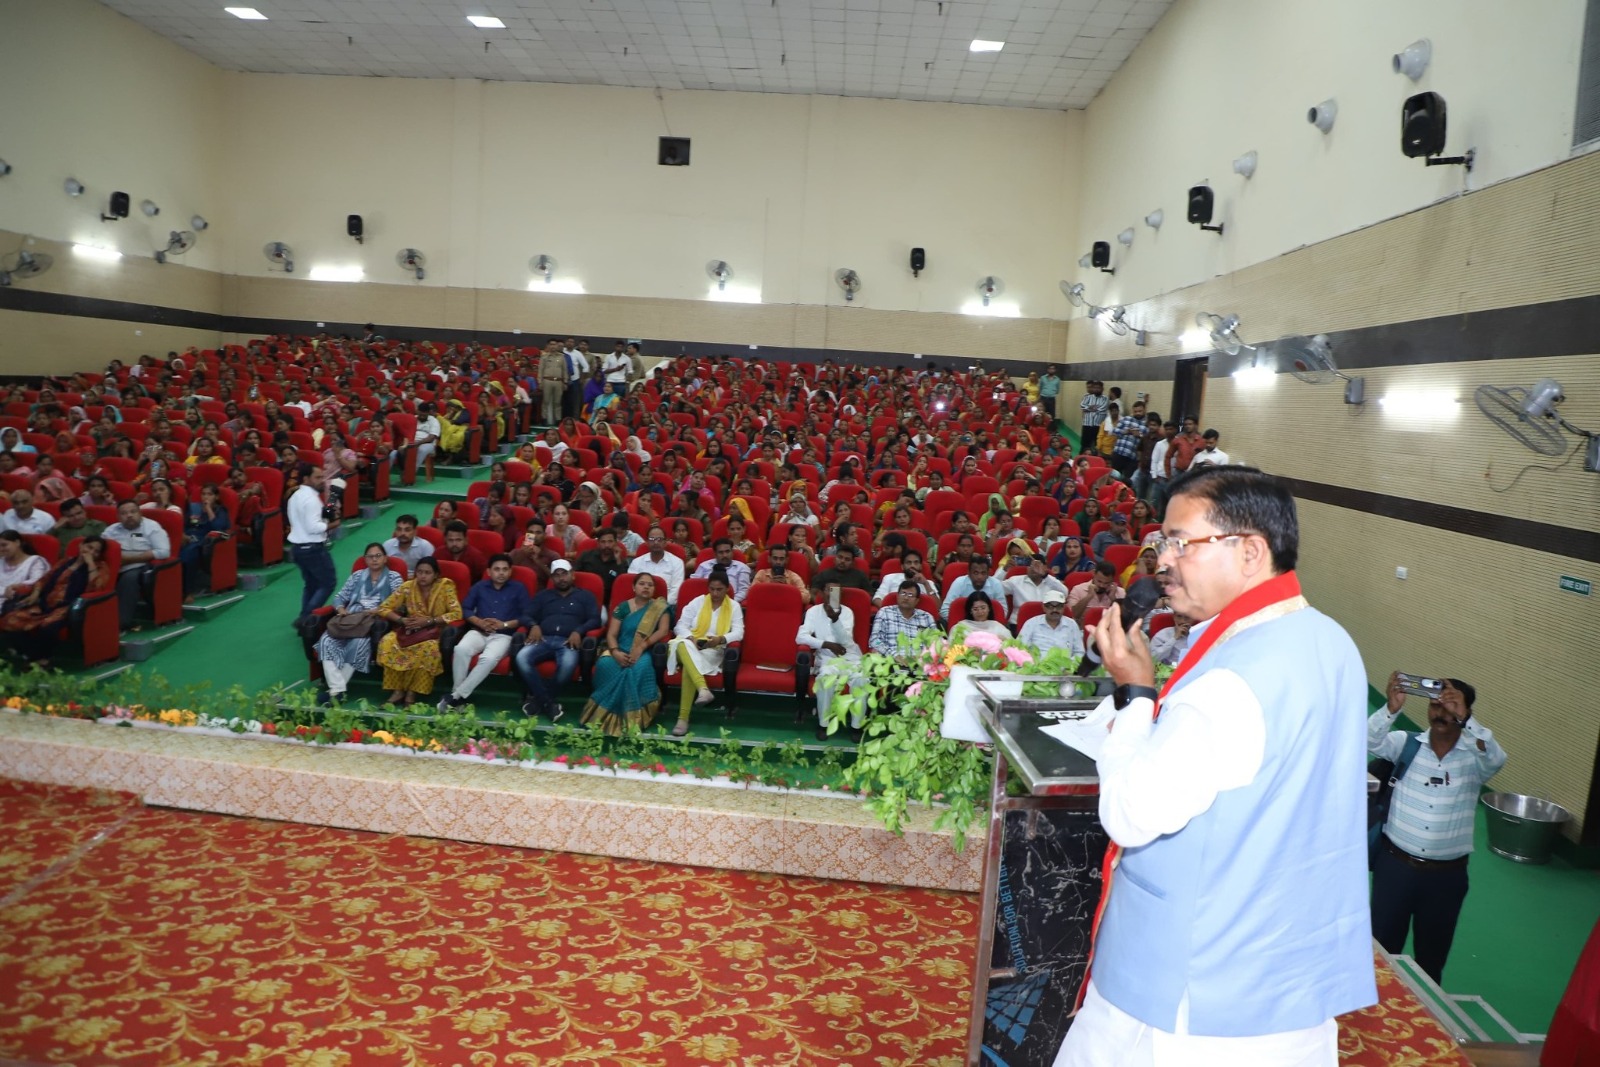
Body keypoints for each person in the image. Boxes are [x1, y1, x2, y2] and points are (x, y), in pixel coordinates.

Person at [1058, 465, 1375, 1067]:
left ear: (1250, 551)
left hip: (1191, 988)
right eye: (1163, 541)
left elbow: (1130, 814)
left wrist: (1136, 697)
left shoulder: (1232, 678)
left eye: (1182, 542)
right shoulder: (1328, 638)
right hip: (1286, 964)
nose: (1162, 560)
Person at [1368, 672, 1506, 985]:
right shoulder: (1406, 745)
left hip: (1445, 879)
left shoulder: (1475, 760)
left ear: (1465, 712)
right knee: (1380, 953)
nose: (1441, 713)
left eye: (1450, 707)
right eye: (1435, 705)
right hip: (1395, 868)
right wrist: (1390, 709)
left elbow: (1497, 759)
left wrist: (1467, 720)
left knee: (1431, 959)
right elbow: (1368, 740)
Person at [580, 571, 672, 736]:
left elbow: (663, 631)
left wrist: (641, 646)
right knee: (605, 664)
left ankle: (631, 720)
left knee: (637, 669)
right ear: (634, 587)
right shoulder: (623, 607)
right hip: (620, 648)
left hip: (644, 651)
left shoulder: (660, 608)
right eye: (642, 584)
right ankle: (603, 714)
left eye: (650, 585)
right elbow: (611, 634)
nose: (646, 587)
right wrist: (615, 652)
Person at [440, 554, 535, 710]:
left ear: (510, 571)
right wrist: (479, 622)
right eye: (497, 569)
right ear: (489, 572)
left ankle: (455, 697)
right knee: (460, 649)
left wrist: (504, 624)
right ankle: (458, 697)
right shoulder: (480, 587)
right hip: (479, 631)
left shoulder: (519, 588)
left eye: (505, 569)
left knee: (488, 658)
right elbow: (466, 609)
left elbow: (526, 616)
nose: (501, 573)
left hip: (504, 635)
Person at [0, 536, 111, 667]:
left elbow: (96, 587)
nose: (91, 552)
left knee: (47, 627)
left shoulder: (100, 567)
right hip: (44, 604)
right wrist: (35, 593)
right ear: (81, 546)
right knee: (10, 620)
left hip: (68, 607)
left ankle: (39, 660)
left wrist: (90, 564)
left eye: (96, 551)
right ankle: (33, 656)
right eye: (89, 547)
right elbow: (44, 579)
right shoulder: (65, 562)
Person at [314, 542, 403, 704]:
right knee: (326, 640)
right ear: (365, 559)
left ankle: (335, 691)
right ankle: (338, 690)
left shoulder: (394, 577)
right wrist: (341, 609)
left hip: (372, 622)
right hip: (350, 619)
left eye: (378, 556)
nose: (374, 559)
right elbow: (339, 597)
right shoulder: (357, 576)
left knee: (359, 644)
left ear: (385, 559)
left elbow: (398, 602)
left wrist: (378, 610)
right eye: (370, 556)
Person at [514, 559, 601, 720]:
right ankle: (548, 703)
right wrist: (533, 625)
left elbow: (595, 620)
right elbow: (525, 616)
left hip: (568, 641)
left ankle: (538, 701)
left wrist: (579, 631)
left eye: (564, 574)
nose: (561, 578)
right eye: (557, 575)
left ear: (572, 575)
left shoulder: (585, 596)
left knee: (568, 664)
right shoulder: (543, 596)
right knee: (521, 657)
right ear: (552, 578)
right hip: (543, 638)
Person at [374, 557, 462, 706]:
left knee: (428, 649)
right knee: (388, 642)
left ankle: (411, 693)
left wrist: (429, 621)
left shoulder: (445, 586)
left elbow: (456, 613)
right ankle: (397, 691)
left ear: (436, 574)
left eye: (427, 573)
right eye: (419, 572)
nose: (422, 576)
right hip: (409, 630)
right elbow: (383, 608)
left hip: (434, 631)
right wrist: (401, 620)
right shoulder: (408, 586)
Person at [665, 568, 744, 736]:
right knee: (682, 644)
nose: (715, 593)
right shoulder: (698, 602)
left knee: (689, 667)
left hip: (712, 651)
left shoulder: (734, 606)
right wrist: (692, 639)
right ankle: (702, 689)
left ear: (727, 588)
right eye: (712, 589)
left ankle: (683, 718)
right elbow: (680, 626)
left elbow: (739, 632)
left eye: (719, 589)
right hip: (689, 646)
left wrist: (720, 639)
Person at [798, 580, 866, 739]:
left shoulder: (847, 612)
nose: (832, 594)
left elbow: (845, 641)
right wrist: (826, 644)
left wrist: (835, 620)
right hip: (827, 658)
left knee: (862, 680)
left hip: (850, 657)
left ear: (841, 594)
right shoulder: (813, 611)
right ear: (822, 593)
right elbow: (800, 637)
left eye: (836, 591)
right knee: (825, 680)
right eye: (829, 590)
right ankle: (823, 724)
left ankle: (856, 726)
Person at [104, 499, 173, 629]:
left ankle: (120, 623)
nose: (129, 515)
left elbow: (164, 552)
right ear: (118, 517)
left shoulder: (151, 527)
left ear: (140, 513)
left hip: (140, 565)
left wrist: (130, 559)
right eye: (124, 513)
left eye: (133, 511)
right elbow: (102, 549)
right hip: (114, 566)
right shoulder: (111, 531)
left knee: (130, 578)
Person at [286, 462, 338, 624]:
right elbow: (313, 527)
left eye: (322, 477)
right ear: (306, 479)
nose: (322, 480)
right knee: (328, 583)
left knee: (312, 584)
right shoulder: (312, 500)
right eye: (317, 477)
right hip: (313, 549)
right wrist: (333, 524)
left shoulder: (295, 496)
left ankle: (305, 616)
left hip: (298, 549)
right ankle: (306, 619)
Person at [180, 481, 231, 600]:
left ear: (216, 497)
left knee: (189, 555)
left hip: (204, 540)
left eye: (209, 494)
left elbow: (218, 527)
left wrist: (208, 509)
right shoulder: (194, 508)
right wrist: (183, 535)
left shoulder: (220, 510)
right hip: (187, 537)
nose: (206, 497)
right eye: (203, 494)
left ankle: (188, 591)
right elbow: (184, 524)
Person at [868, 580, 940, 656]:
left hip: (919, 661)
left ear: (917, 600)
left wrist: (922, 658)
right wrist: (894, 655)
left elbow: (936, 643)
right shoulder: (885, 612)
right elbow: (875, 640)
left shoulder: (927, 617)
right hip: (890, 659)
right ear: (897, 596)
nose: (906, 598)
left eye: (910, 595)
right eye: (903, 593)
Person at [939, 555, 1008, 622]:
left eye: (983, 573)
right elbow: (945, 610)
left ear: (988, 574)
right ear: (969, 573)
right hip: (963, 625)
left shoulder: (996, 584)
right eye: (975, 573)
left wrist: (987, 624)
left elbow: (1003, 611)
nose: (979, 577)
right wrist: (961, 625)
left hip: (989, 625)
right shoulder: (959, 583)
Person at [628, 526, 686, 606]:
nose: (656, 542)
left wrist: (658, 607)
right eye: (652, 539)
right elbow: (632, 587)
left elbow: (675, 591)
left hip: (666, 606)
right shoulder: (637, 562)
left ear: (665, 542)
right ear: (647, 542)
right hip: (640, 604)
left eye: (659, 539)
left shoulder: (677, 563)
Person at [1016, 591, 1084, 657]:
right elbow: (1020, 648)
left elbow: (1080, 652)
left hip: (1066, 663)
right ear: (1044, 607)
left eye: (1059, 606)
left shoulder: (1072, 624)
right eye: (1050, 606)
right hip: (1036, 663)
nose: (1055, 610)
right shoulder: (1032, 623)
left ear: (1063, 608)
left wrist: (1071, 663)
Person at [691, 538, 753, 602]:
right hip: (705, 602)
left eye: (727, 551)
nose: (725, 555)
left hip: (731, 603)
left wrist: (730, 602)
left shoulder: (742, 568)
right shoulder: (704, 566)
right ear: (715, 554)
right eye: (721, 552)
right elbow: (692, 585)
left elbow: (744, 590)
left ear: (732, 552)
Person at [575, 527, 628, 602]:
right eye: (603, 542)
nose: (607, 545)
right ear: (598, 543)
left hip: (608, 601)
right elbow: (574, 576)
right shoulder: (586, 556)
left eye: (610, 541)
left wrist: (618, 560)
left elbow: (622, 584)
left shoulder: (621, 562)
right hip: (584, 597)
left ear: (616, 543)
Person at [871, 549, 937, 607]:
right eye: (909, 563)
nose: (912, 565)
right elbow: (877, 599)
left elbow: (937, 607)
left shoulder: (928, 583)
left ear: (920, 566)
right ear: (902, 567)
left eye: (916, 563)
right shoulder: (890, 578)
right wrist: (889, 612)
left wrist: (926, 584)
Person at [1066, 560, 1124, 625]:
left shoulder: (1120, 592)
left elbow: (1125, 619)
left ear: (1113, 579)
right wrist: (1088, 597)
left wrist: (1113, 598)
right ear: (1094, 573)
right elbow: (1072, 615)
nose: (1102, 585)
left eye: (1106, 583)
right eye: (1099, 581)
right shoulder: (1078, 590)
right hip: (1083, 628)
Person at [0, 531, 49, 601]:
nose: (1, 549)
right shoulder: (1, 561)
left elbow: (38, 581)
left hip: (15, 601)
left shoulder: (35, 561)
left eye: (4, 545)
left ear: (17, 542)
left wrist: (17, 587)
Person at [1078, 380, 1108, 456]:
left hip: (1098, 426)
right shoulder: (1087, 397)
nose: (1096, 389)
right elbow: (1082, 406)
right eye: (1095, 388)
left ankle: (1094, 459)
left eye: (1098, 388)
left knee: (1096, 445)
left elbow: (1102, 408)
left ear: (1102, 389)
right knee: (1084, 444)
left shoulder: (1105, 398)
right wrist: (1091, 408)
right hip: (1087, 424)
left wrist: (1088, 408)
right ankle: (1081, 458)